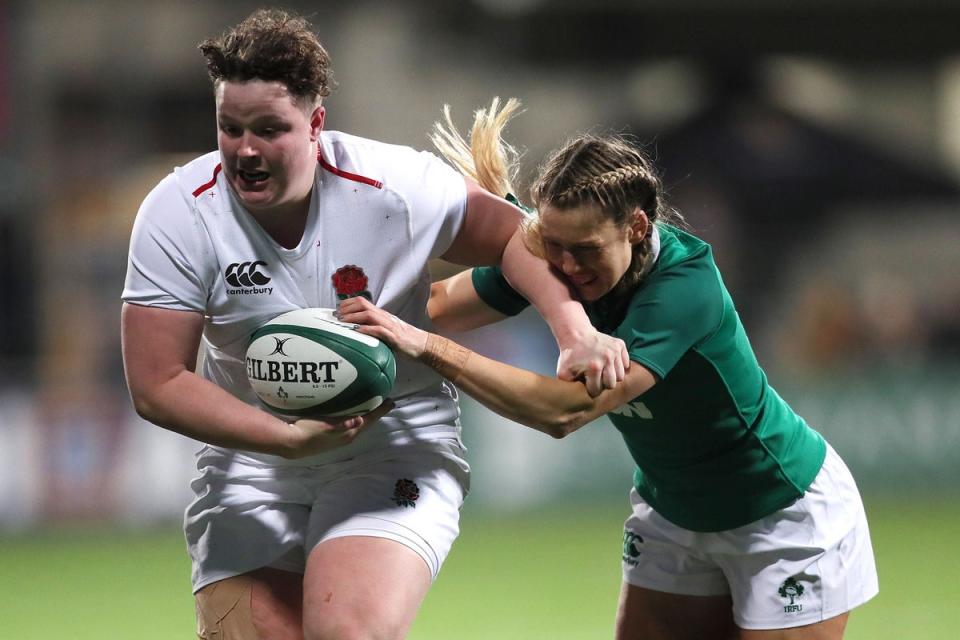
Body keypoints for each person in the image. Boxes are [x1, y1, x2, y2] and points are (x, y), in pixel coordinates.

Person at [120, 10, 627, 640]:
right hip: (253, 455)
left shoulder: (393, 185)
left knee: (345, 632)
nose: (245, 149)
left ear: (315, 125)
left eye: (269, 129)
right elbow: (156, 381)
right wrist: (284, 440)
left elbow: (514, 238)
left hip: (394, 440)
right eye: (230, 128)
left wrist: (573, 328)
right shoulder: (178, 213)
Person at [339, 103, 879, 639]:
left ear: (637, 227)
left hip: (780, 512)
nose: (567, 267)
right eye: (553, 246)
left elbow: (565, 410)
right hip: (673, 513)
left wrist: (427, 347)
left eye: (585, 249)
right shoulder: (557, 259)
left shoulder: (683, 288)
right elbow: (429, 306)